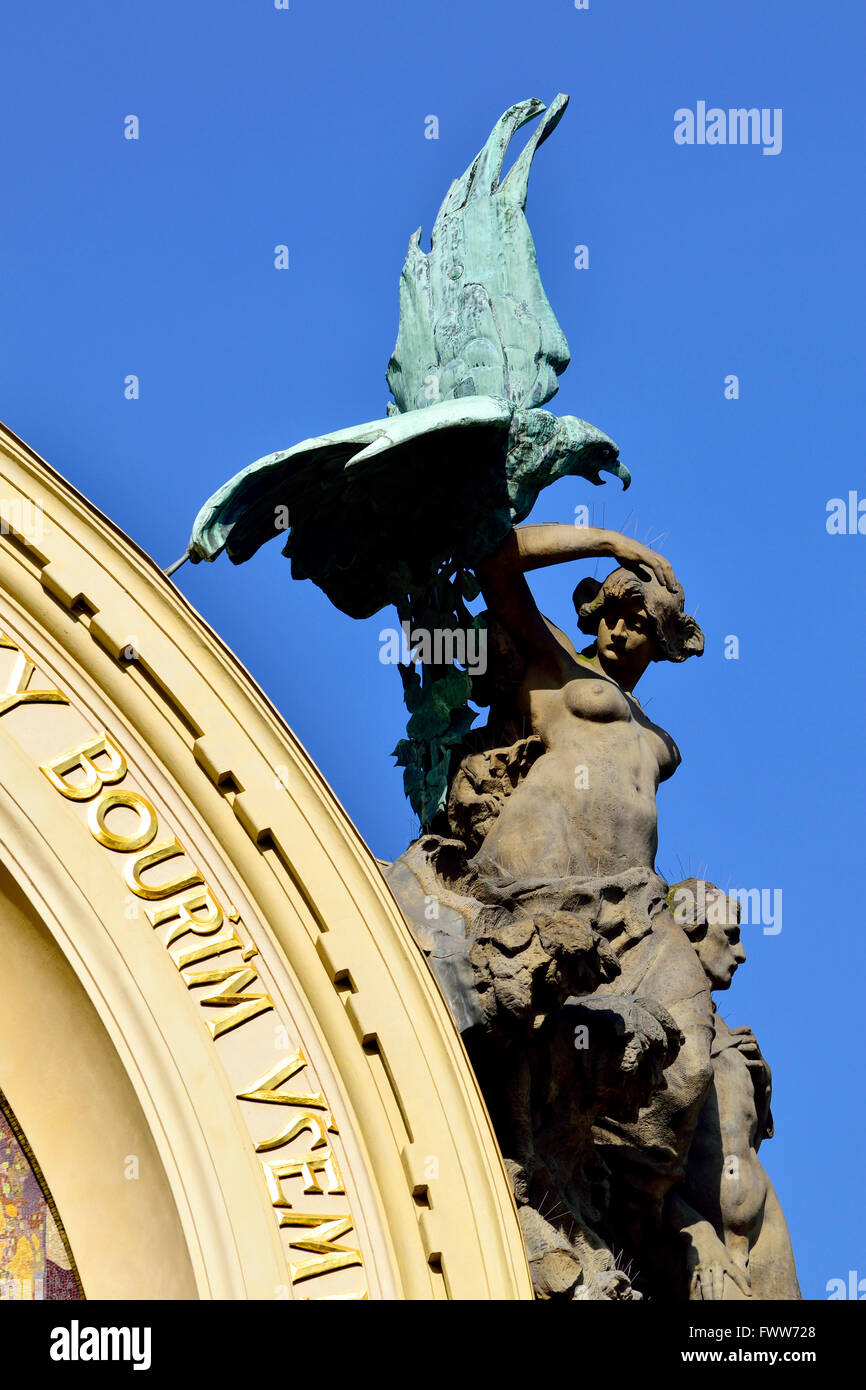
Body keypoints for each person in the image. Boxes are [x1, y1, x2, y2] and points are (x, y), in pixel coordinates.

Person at [666, 879, 801, 1300]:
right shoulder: (660, 1025)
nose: (741, 954)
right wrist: (695, 1230)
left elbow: (751, 1132)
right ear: (691, 931)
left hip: (763, 1231)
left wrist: (761, 1079)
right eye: (731, 937)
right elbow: (629, 1159)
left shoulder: (728, 1033)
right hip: (705, 1237)